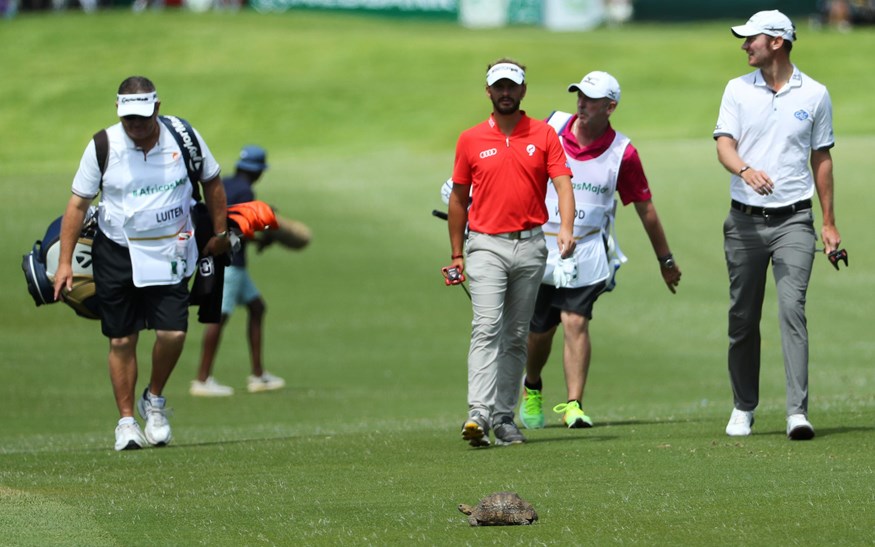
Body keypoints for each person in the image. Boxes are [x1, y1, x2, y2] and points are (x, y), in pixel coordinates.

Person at [53, 76, 230, 451]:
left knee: (173, 334)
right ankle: (126, 421)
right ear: (118, 111)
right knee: (121, 338)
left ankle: (154, 400)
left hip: (171, 251)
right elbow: (77, 204)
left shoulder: (183, 138)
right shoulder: (103, 144)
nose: (135, 126)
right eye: (128, 118)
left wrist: (219, 232)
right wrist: (65, 262)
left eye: (143, 118)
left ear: (157, 109)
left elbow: (212, 182)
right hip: (116, 251)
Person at [518, 71, 682, 431]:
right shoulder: (552, 127)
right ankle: (532, 385)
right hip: (542, 246)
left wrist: (665, 259)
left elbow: (645, 208)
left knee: (575, 320)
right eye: (579, 95)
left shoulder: (623, 152)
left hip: (588, 249)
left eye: (591, 99)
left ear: (610, 107)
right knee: (538, 332)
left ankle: (574, 404)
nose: (581, 103)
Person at [714, 10, 840, 440]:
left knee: (792, 310)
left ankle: (796, 412)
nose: (744, 45)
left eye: (752, 39)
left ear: (777, 42)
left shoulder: (816, 95)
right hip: (744, 222)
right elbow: (724, 146)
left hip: (796, 221)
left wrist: (829, 223)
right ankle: (743, 406)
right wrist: (745, 170)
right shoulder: (736, 89)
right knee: (743, 317)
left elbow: (821, 159)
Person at [447, 58, 577, 448]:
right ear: (488, 91)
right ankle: (478, 414)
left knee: (517, 334)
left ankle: (504, 417)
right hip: (486, 244)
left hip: (532, 243)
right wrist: (457, 253)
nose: (505, 93)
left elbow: (564, 184)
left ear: (522, 90)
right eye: (498, 86)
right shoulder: (470, 139)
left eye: (512, 86)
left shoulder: (543, 134)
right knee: (487, 327)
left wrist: (566, 228)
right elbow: (458, 198)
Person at [192, 145, 289, 396]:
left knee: (257, 308)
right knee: (218, 317)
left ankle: (258, 375)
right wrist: (265, 239)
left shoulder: (225, 183)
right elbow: (238, 230)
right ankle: (202, 379)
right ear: (258, 172)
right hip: (230, 265)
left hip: (228, 261)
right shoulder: (246, 191)